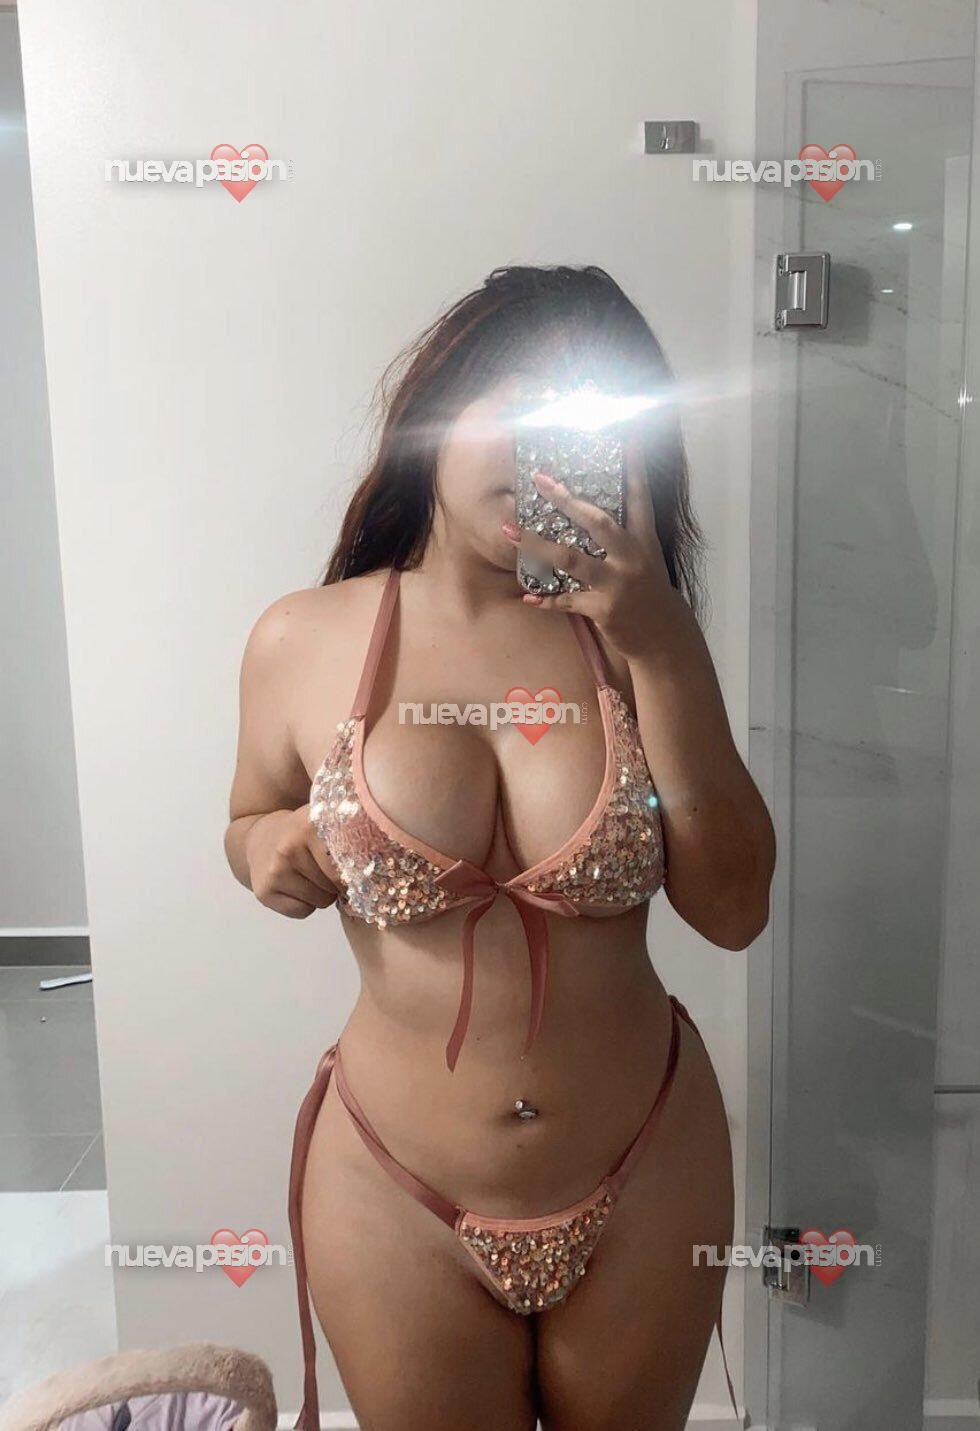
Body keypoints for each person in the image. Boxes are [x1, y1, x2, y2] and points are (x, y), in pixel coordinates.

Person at [224, 264, 775, 1431]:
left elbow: (733, 911)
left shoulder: (639, 641)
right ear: (435, 411)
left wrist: (661, 643)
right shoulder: (300, 639)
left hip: (643, 1166)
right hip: (392, 1185)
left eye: (576, 429)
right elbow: (246, 822)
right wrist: (264, 845)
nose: (537, 462)